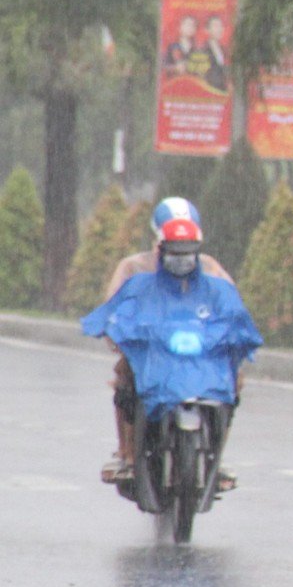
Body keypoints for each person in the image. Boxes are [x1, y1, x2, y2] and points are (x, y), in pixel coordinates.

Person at [94, 199, 237, 485]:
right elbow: (112, 306)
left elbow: (232, 305)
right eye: (172, 245)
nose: (181, 255)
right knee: (125, 374)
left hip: (198, 351)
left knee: (234, 380)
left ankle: (215, 458)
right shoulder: (134, 267)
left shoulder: (210, 268)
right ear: (157, 239)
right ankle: (127, 455)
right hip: (151, 350)